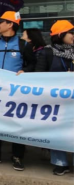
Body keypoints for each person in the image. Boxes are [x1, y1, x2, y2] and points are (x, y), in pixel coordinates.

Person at [0, 11, 36, 171]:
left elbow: (33, 64)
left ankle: (17, 156)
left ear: (10, 24)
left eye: (1, 22)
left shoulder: (23, 45)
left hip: (15, 93)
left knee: (16, 123)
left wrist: (25, 71)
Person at [34, 20, 73, 176]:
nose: (73, 36)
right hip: (55, 101)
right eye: (71, 32)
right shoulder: (47, 52)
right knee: (57, 131)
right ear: (60, 34)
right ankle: (60, 163)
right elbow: (39, 75)